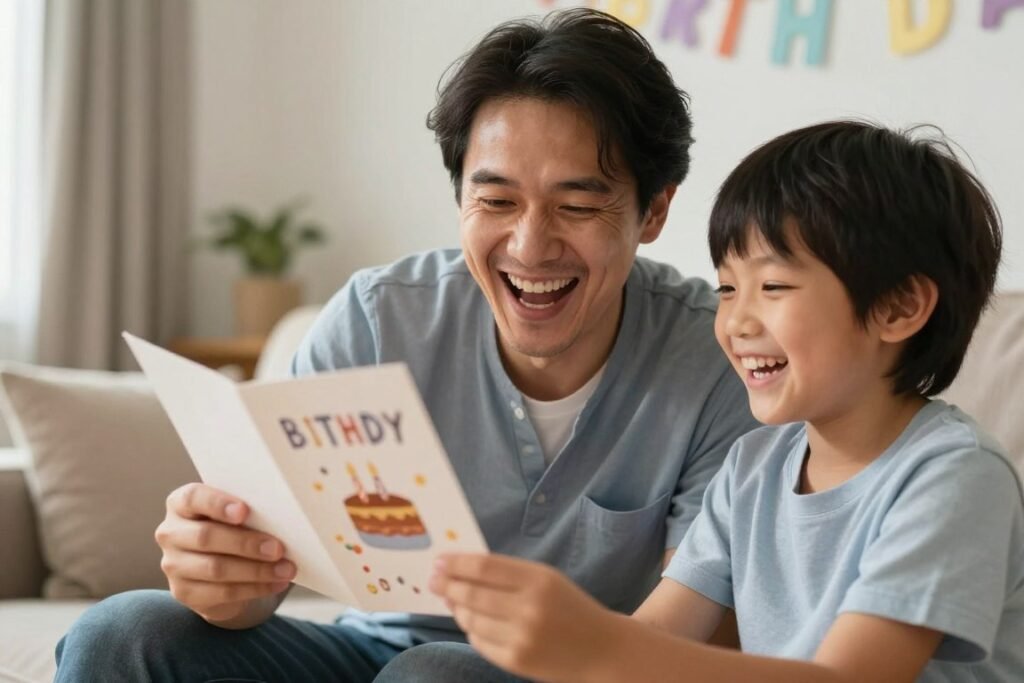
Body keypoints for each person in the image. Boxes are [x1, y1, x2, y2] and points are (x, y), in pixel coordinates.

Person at [54, 8, 757, 682]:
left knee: (436, 673)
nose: (529, 246)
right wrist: (225, 578)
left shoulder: (716, 358)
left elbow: (697, 633)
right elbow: (265, 585)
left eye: (575, 205)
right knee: (122, 632)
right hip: (372, 649)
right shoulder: (376, 321)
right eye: (496, 200)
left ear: (654, 210)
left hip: (581, 674)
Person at [428, 120, 1024, 682]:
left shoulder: (953, 475)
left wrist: (599, 645)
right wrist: (563, 636)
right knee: (435, 669)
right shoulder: (753, 467)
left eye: (773, 286)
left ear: (898, 307)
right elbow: (658, 635)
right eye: (728, 288)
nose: (736, 322)